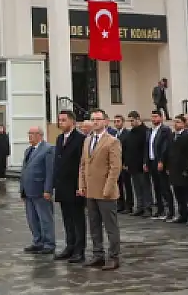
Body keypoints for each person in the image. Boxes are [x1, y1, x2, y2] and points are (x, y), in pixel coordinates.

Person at [78, 109, 122, 271]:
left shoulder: (112, 141)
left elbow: (115, 167)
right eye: (93, 119)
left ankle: (114, 256)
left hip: (106, 191)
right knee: (94, 225)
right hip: (90, 190)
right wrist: (81, 185)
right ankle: (98, 254)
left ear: (105, 121)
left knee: (110, 226)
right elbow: (83, 165)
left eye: (98, 119)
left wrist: (108, 188)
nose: (95, 122)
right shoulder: (87, 140)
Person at [52, 110, 86, 264]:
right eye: (59, 120)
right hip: (62, 185)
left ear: (72, 121)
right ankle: (70, 246)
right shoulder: (59, 139)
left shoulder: (80, 139)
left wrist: (81, 185)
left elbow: (82, 164)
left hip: (75, 185)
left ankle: (80, 249)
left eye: (64, 120)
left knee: (77, 219)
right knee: (66, 219)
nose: (61, 123)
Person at [19, 126, 55, 255]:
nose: (29, 136)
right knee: (32, 219)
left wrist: (48, 189)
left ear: (40, 135)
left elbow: (50, 172)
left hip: (40, 190)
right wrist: (22, 189)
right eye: (29, 133)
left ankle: (49, 243)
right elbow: (24, 170)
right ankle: (37, 241)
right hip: (28, 191)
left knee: (45, 218)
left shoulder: (48, 149)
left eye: (32, 134)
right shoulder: (28, 150)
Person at [167, 114, 188, 224]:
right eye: (175, 122)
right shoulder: (172, 135)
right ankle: (182, 214)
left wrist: (187, 168)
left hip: (183, 170)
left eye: (178, 122)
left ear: (183, 124)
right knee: (178, 194)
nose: (175, 124)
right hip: (174, 169)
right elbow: (170, 152)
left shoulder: (187, 135)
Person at [147, 110, 173, 219]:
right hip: (152, 161)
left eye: (156, 116)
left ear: (161, 118)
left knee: (164, 187)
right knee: (156, 187)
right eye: (152, 117)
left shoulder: (165, 130)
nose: (154, 119)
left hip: (160, 162)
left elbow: (165, 147)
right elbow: (148, 146)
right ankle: (160, 209)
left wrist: (161, 160)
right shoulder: (150, 130)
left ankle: (170, 211)